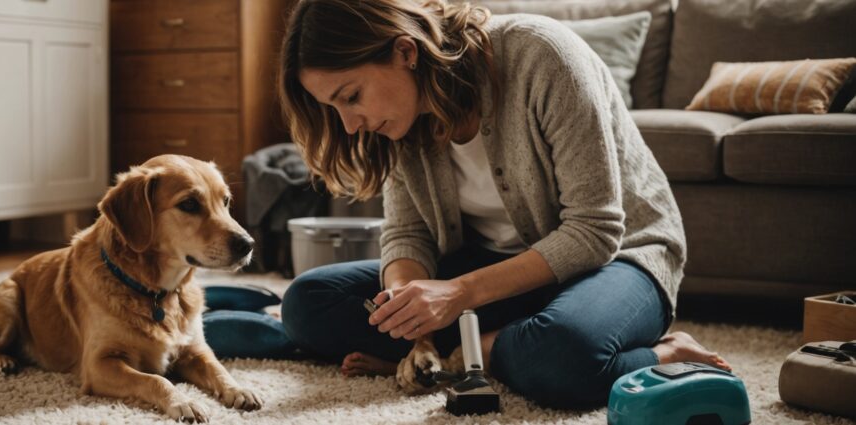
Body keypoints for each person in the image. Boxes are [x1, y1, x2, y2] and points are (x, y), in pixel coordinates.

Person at [277, 0, 730, 409]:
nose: (350, 125)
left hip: (619, 258)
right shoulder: (400, 118)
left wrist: (458, 294)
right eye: (334, 108)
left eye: (351, 97)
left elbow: (594, 231)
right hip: (498, 273)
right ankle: (489, 345)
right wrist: (417, 326)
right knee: (308, 302)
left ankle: (658, 351)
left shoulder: (543, 55)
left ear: (404, 52)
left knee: (561, 357)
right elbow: (407, 234)